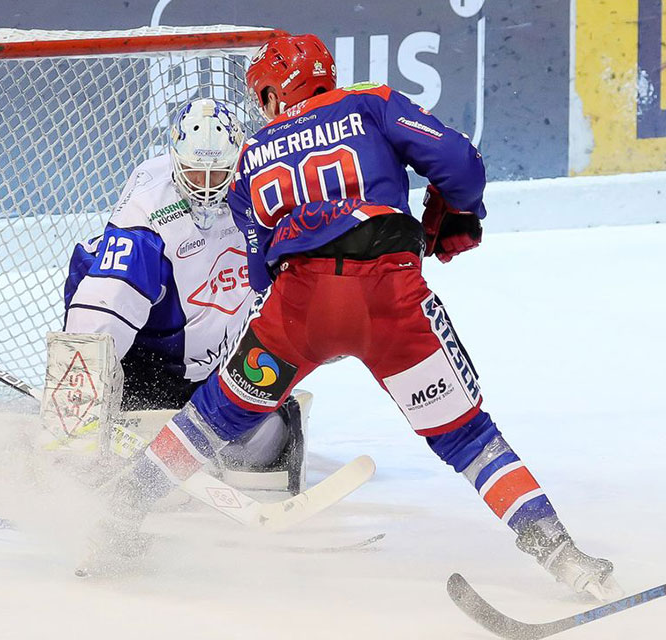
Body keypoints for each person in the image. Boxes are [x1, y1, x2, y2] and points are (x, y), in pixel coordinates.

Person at [83, 35, 621, 601]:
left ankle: (111, 522)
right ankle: (563, 555)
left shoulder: (251, 158)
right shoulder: (370, 101)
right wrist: (454, 209)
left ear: (271, 93)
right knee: (467, 436)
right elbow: (463, 163)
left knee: (209, 420)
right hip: (389, 301)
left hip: (297, 312)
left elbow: (259, 275)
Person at [63, 97, 307, 491]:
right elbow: (103, 308)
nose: (208, 188)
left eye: (219, 174)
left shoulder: (262, 185)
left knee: (273, 437)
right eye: (196, 173)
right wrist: (80, 399)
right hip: (149, 369)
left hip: (220, 362)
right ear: (175, 160)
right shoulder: (147, 211)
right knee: (107, 451)